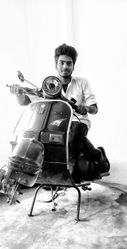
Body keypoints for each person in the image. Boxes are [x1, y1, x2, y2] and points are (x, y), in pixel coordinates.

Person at [10, 43, 110, 174]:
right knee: (41, 136)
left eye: (69, 63)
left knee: (73, 134)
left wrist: (85, 108)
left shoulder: (82, 82)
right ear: (56, 65)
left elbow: (94, 108)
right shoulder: (49, 84)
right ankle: (49, 173)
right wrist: (18, 92)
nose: (65, 67)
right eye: (61, 63)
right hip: (56, 123)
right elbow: (25, 102)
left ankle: (97, 156)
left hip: (78, 121)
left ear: (73, 66)